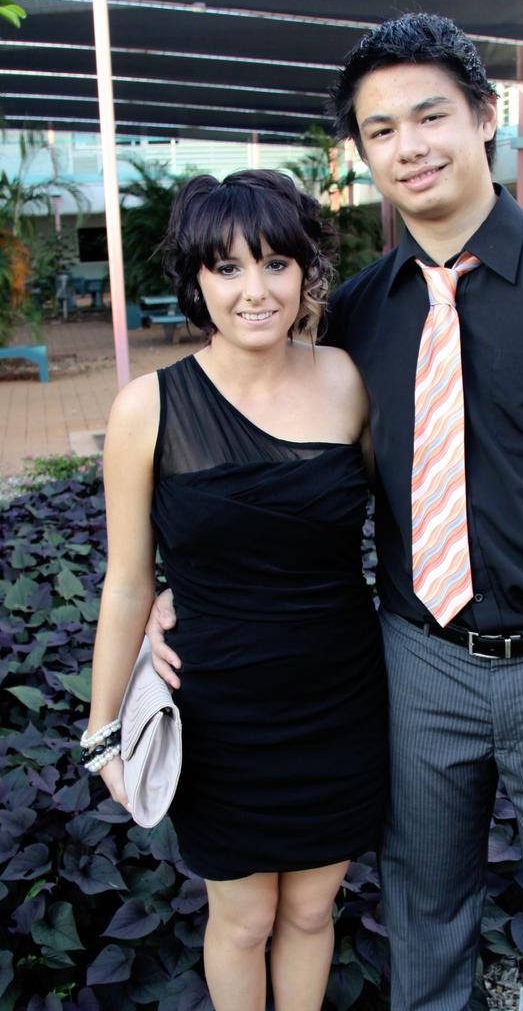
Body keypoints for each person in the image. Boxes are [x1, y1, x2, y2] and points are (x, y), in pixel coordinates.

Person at [148, 13, 523, 1011]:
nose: (409, 146)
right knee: (424, 902)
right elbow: (282, 460)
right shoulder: (357, 312)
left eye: (430, 115)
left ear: (485, 117)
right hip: (419, 660)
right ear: (364, 153)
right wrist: (173, 590)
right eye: (381, 129)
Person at [82, 169, 387, 1011]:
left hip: (341, 696)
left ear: (304, 273)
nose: (255, 291)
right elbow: (129, 583)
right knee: (246, 917)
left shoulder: (349, 383)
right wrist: (103, 729)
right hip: (220, 709)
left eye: (276, 264)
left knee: (314, 907)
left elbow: (405, 529)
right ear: (196, 282)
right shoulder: (149, 407)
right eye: (227, 268)